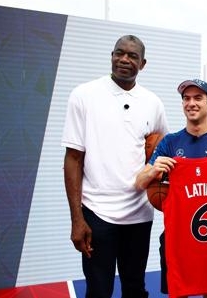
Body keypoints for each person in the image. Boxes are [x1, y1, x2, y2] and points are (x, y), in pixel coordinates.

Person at [62, 35, 169, 298]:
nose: (124, 59)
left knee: (135, 288)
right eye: (119, 53)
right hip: (97, 213)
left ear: (142, 64)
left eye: (132, 56)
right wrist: (77, 219)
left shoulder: (153, 103)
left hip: (139, 214)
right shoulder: (84, 95)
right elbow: (73, 159)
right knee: (99, 290)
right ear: (111, 55)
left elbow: (161, 153)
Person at [134, 79, 207, 298]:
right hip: (180, 241)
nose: (191, 103)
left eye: (198, 98)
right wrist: (152, 170)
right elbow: (139, 183)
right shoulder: (170, 142)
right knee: (179, 292)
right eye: (186, 99)